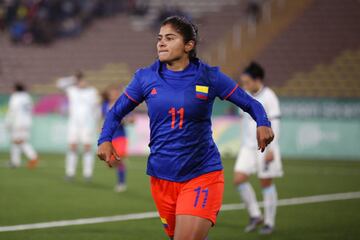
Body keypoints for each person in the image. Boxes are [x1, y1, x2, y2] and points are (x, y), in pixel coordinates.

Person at [97, 16, 274, 240]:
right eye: (160, 38)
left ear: (189, 45)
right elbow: (115, 112)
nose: (161, 43)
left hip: (201, 174)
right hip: (161, 177)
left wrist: (263, 123)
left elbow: (251, 103)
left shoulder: (209, 77)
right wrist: (105, 138)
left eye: (170, 38)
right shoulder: (145, 77)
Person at [233, 62, 283, 235]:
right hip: (247, 147)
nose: (244, 86)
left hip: (265, 147)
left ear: (257, 80)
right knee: (239, 179)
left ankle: (269, 222)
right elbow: (243, 123)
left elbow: (275, 124)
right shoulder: (245, 95)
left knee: (265, 183)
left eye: (247, 82)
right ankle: (255, 215)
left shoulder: (269, 96)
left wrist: (272, 149)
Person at [57, 71, 100, 182]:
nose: (82, 83)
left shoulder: (92, 91)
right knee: (72, 147)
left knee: (87, 148)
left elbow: (97, 109)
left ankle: (88, 174)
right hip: (74, 124)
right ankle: (70, 173)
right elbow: (59, 84)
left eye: (83, 80)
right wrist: (72, 78)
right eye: (79, 81)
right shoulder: (72, 90)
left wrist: (97, 123)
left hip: (88, 125)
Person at [101, 85, 134, 192]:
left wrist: (125, 120)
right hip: (110, 138)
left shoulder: (123, 105)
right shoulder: (105, 105)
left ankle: (121, 183)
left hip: (121, 136)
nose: (113, 95)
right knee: (110, 162)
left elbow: (132, 120)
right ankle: (119, 166)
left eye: (115, 93)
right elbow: (103, 119)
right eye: (111, 93)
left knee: (119, 159)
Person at [5, 82, 38, 169]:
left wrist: (8, 122)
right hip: (27, 121)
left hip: (18, 121)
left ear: (15, 89)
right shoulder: (27, 97)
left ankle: (33, 156)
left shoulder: (15, 97)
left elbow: (12, 110)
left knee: (18, 141)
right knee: (17, 141)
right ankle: (15, 162)